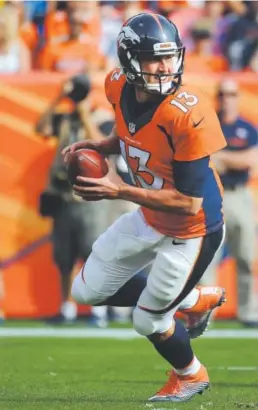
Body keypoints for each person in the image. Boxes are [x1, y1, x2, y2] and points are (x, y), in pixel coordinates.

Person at [62, 13, 226, 403]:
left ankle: (191, 375)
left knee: (149, 319)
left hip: (192, 230)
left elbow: (188, 203)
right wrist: (101, 146)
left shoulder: (188, 112)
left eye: (170, 56)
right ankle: (191, 300)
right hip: (150, 213)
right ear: (130, 60)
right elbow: (130, 131)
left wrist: (118, 190)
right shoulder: (117, 86)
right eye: (155, 58)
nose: (166, 67)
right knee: (86, 291)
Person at [203, 79, 258, 326]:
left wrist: (222, 157)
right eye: (223, 94)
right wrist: (231, 159)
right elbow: (204, 159)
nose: (227, 98)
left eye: (232, 94)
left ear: (237, 97)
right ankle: (206, 312)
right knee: (208, 258)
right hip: (214, 194)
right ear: (218, 97)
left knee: (246, 255)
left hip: (239, 194)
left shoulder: (248, 128)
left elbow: (251, 161)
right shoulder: (209, 125)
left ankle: (248, 311)